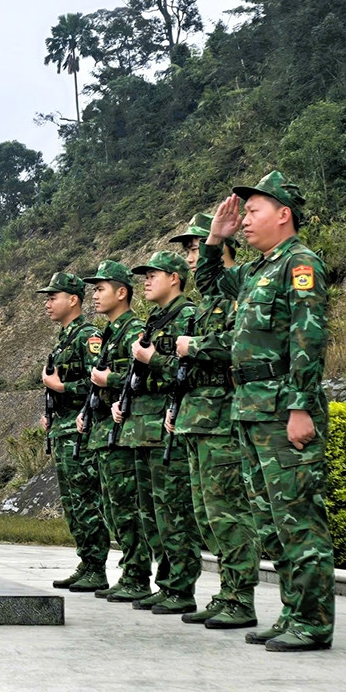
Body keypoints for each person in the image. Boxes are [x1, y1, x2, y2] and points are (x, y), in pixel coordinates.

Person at [199, 171, 334, 652]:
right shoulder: (258, 269)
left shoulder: (301, 264)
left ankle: (314, 622)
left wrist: (300, 407)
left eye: (253, 210)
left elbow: (308, 339)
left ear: (284, 214)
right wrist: (217, 238)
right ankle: (293, 614)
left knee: (299, 519)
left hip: (282, 409)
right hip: (250, 408)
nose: (246, 218)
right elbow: (212, 283)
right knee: (271, 523)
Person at [169, 214, 261, 630]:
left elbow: (240, 343)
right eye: (188, 250)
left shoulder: (240, 290)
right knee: (208, 516)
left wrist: (195, 346)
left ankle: (242, 597)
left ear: (222, 244)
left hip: (222, 417)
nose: (190, 256)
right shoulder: (210, 300)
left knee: (229, 513)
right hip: (198, 417)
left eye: (195, 247)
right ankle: (227, 592)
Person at [126, 251, 202, 615]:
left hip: (167, 424)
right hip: (144, 424)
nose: (146, 280)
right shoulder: (154, 321)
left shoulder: (187, 316)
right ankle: (166, 582)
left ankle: (181, 587)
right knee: (153, 512)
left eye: (153, 274)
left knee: (174, 509)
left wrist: (152, 359)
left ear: (175, 277)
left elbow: (189, 373)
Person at [79, 261, 153, 603]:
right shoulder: (111, 333)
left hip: (124, 431)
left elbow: (143, 378)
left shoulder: (133, 330)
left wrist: (109, 380)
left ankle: (137, 576)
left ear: (121, 293)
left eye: (101, 289)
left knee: (128, 507)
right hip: (106, 430)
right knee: (114, 507)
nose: (95, 295)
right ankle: (130, 572)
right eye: (94, 290)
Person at [36, 272, 109, 592]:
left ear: (73, 300)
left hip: (81, 430)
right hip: (63, 428)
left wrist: (61, 386)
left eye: (54, 297)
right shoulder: (65, 337)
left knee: (86, 500)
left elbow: (98, 381)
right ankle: (87, 560)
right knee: (73, 503)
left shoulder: (87, 336)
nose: (48, 303)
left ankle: (97, 566)